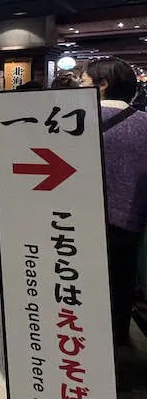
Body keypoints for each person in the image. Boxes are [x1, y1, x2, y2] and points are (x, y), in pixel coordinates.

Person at [81, 57, 147, 346]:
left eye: (83, 82)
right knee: (122, 281)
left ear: (102, 84)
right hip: (130, 225)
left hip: (78, 222)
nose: (79, 88)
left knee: (78, 278)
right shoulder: (145, 124)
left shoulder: (71, 123)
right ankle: (117, 334)